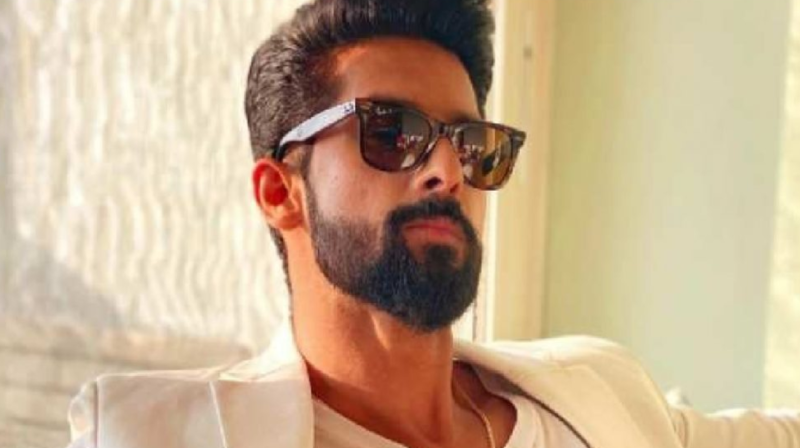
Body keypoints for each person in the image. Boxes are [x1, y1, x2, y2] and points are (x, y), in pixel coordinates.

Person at [66, 0, 800, 447]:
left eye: (472, 144)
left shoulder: (600, 392)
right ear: (279, 191)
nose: (447, 171)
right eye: (392, 132)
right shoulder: (149, 435)